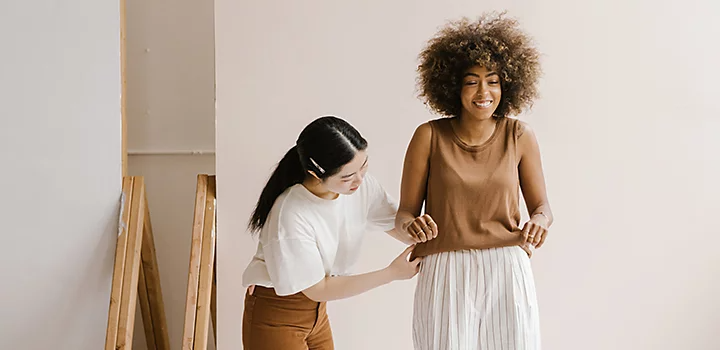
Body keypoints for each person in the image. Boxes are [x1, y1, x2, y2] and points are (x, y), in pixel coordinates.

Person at [395, 12, 554, 350]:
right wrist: (413, 226)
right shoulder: (428, 136)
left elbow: (542, 207)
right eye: (472, 81)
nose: (484, 91)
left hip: (507, 267)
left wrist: (538, 222)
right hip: (444, 269)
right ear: (454, 86)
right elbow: (404, 213)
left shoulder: (520, 136)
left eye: (493, 80)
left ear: (507, 84)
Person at [241, 116, 428, 350]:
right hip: (277, 313)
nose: (359, 180)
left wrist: (417, 228)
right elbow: (317, 288)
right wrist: (391, 273)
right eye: (347, 176)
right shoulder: (291, 215)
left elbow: (397, 226)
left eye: (363, 165)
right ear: (316, 173)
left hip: (317, 312)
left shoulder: (361, 186)